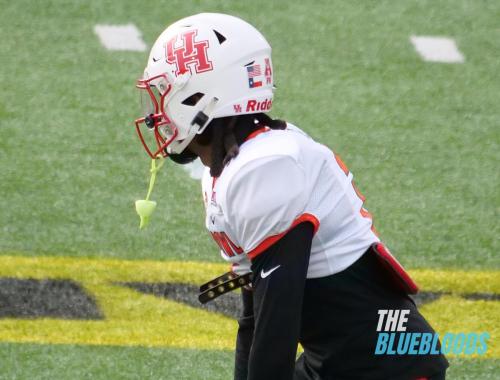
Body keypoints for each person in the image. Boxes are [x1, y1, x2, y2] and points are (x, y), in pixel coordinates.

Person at [133, 12, 449, 380]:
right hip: (342, 360)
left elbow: (278, 318)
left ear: (203, 94)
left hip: (388, 364)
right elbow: (256, 316)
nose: (158, 113)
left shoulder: (266, 165)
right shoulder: (236, 165)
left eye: (166, 93)